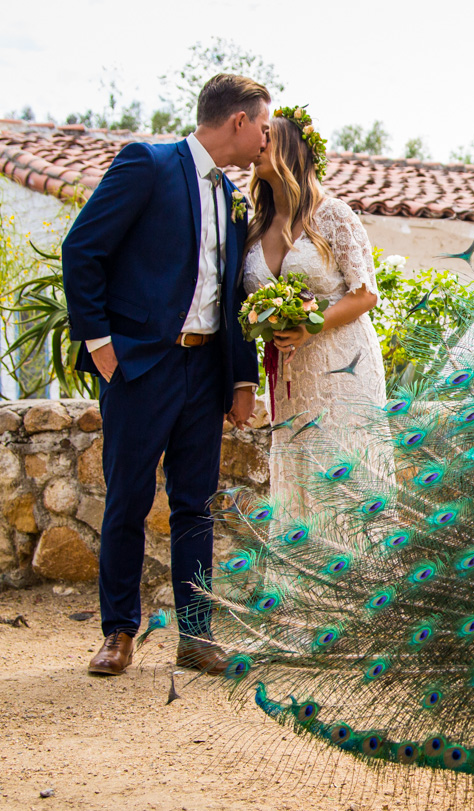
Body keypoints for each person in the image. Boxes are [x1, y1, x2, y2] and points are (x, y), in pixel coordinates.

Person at [62, 74, 267, 677]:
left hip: (205, 370)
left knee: (195, 505)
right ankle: (119, 632)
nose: (264, 137)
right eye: (261, 123)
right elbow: (84, 250)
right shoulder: (147, 165)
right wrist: (101, 344)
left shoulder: (235, 201)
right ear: (237, 121)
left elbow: (232, 298)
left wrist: (239, 378)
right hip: (141, 366)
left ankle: (195, 635)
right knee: (127, 497)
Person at [243, 106, 385, 507]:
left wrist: (311, 326)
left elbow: (366, 294)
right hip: (289, 376)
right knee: (298, 486)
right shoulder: (255, 227)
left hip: (343, 366)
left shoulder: (334, 215)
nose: (258, 142)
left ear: (292, 150)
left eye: (267, 135)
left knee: (343, 481)